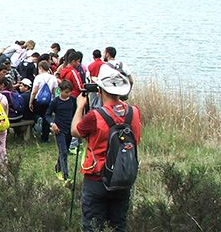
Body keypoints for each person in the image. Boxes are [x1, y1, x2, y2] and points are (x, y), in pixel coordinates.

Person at [72, 63, 141, 232]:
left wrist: (80, 106)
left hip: (97, 179)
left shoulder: (95, 116)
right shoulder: (134, 112)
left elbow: (75, 131)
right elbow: (136, 139)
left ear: (100, 89)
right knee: (119, 225)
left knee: (92, 226)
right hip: (123, 178)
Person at [46, 80, 76, 184]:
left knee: (64, 151)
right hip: (59, 130)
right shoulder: (55, 102)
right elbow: (47, 115)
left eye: (69, 92)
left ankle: (57, 168)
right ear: (61, 91)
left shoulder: (73, 100)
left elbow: (76, 113)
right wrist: (52, 124)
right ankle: (65, 176)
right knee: (63, 152)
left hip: (69, 130)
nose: (68, 94)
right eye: (66, 92)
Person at [30, 60, 58, 143]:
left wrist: (31, 102)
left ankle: (38, 119)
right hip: (49, 101)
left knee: (36, 114)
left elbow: (34, 91)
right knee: (47, 117)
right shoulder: (53, 78)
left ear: (40, 68)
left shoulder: (38, 77)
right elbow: (55, 91)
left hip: (38, 100)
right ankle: (45, 138)